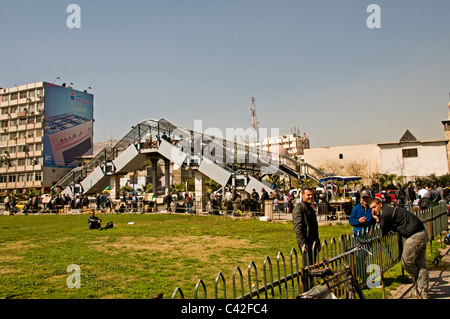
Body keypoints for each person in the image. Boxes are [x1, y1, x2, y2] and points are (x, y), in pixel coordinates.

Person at [369, 198, 429, 299]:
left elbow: (382, 232)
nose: (373, 211)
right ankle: (422, 292)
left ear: (380, 204)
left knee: (406, 262)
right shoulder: (390, 211)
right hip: (422, 233)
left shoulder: (385, 213)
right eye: (371, 209)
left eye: (374, 207)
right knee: (421, 264)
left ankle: (420, 281)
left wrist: (378, 220)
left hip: (414, 236)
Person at [292, 187, 321, 265]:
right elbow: (298, 227)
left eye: (312, 195)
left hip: (313, 241)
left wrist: (318, 242)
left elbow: (315, 227)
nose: (311, 197)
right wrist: (302, 243)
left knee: (312, 264)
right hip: (306, 241)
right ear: (302, 195)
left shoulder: (310, 209)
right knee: (307, 266)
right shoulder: (299, 208)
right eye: (308, 195)